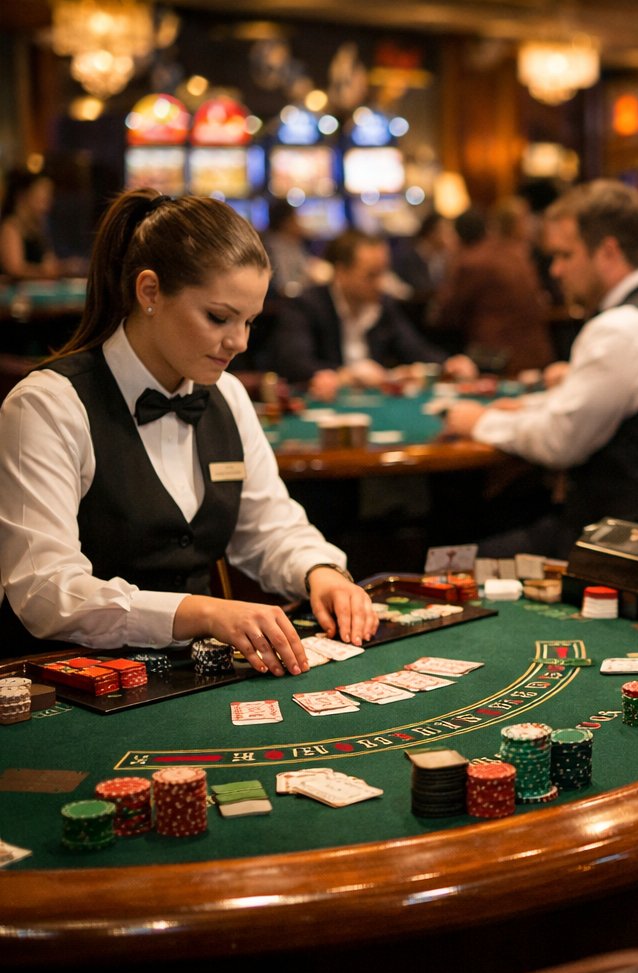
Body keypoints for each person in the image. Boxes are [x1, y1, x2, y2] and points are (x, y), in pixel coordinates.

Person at [0, 189, 377, 670]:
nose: (238, 342)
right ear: (150, 291)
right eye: (218, 317)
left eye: (249, 322)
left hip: (193, 679)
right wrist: (201, 612)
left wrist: (320, 571)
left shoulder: (228, 396)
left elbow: (268, 528)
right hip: (69, 684)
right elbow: (45, 590)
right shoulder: (48, 405)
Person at [441, 180, 638, 557]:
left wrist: (477, 422)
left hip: (619, 548)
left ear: (608, 252)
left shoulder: (623, 328)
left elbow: (560, 441)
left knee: (447, 564)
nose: (557, 271)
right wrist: (530, 408)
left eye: (565, 255)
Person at [270, 230, 476, 401]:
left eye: (383, 272)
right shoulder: (306, 305)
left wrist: (448, 364)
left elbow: (414, 347)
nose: (381, 283)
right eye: (371, 275)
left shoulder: (383, 305)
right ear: (341, 272)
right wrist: (346, 375)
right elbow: (293, 362)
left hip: (374, 404)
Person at [433, 198, 553, 376]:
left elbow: (447, 314)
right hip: (539, 354)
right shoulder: (517, 255)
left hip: (500, 361)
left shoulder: (473, 262)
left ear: (458, 236)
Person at [0, 169, 61, 281]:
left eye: (48, 198)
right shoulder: (11, 226)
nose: (47, 204)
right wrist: (43, 272)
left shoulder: (39, 228)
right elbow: (15, 268)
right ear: (23, 196)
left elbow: (49, 262)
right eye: (41, 198)